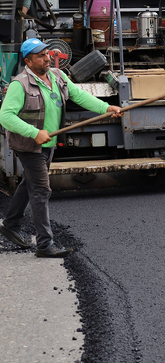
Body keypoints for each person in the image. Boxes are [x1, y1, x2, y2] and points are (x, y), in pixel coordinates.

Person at [0, 38, 123, 257]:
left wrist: (106, 108)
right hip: (29, 145)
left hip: (48, 143)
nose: (47, 58)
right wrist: (34, 132)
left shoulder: (57, 76)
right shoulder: (20, 84)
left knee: (29, 183)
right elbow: (5, 116)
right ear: (28, 61)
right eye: (40, 56)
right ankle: (45, 245)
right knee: (41, 190)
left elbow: (79, 95)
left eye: (47, 53)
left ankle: (10, 224)